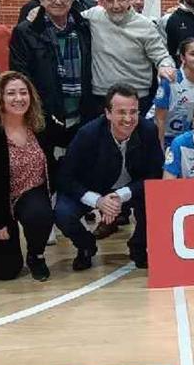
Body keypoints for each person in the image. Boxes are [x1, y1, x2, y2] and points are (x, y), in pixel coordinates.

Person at [55, 85, 163, 270]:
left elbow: (154, 175)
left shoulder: (148, 131)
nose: (128, 119)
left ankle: (138, 246)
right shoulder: (87, 134)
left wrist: (120, 195)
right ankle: (86, 246)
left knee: (156, 201)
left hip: (128, 190)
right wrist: (97, 201)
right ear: (108, 113)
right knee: (63, 213)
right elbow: (64, 177)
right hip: (91, 190)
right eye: (121, 112)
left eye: (133, 112)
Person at [0, 72, 55, 282]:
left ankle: (36, 255)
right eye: (11, 93)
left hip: (31, 192)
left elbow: (70, 137)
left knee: (40, 214)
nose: (18, 98)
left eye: (23, 93)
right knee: (5, 272)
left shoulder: (40, 122)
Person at [9, 0, 99, 154]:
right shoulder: (25, 32)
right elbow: (22, 77)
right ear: (41, 0)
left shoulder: (84, 28)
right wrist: (40, 114)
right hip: (44, 118)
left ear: (72, 0)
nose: (58, 1)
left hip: (82, 116)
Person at [83, 0, 176, 116]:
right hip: (101, 98)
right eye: (110, 0)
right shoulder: (93, 16)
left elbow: (162, 57)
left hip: (138, 99)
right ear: (101, 2)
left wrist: (165, 66)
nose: (116, 5)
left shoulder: (146, 25)